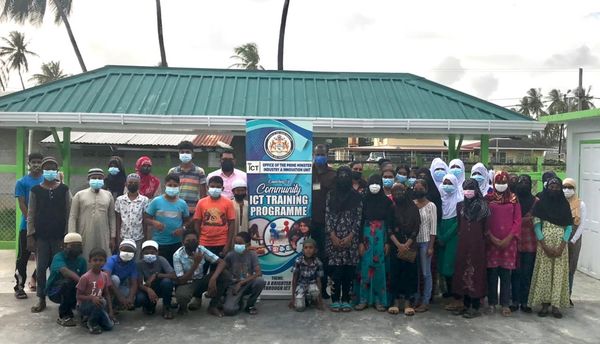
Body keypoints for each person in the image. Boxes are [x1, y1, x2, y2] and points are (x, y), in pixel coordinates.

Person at [28, 156, 72, 313]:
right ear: (42, 170)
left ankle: (59, 296)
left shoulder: (64, 189)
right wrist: (30, 235)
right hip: (41, 237)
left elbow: (69, 212)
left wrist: (68, 235)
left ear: (57, 170)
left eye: (53, 167)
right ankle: (41, 298)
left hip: (60, 237)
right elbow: (31, 214)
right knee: (40, 268)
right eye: (47, 168)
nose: (50, 170)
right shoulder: (35, 190)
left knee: (59, 268)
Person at [528, 176, 573, 318]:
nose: (554, 189)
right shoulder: (540, 204)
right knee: (544, 274)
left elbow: (569, 227)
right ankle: (544, 305)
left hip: (560, 247)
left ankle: (555, 306)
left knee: (558, 274)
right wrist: (544, 245)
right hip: (544, 246)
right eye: (551, 187)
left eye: (557, 187)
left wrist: (561, 246)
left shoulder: (565, 205)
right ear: (547, 188)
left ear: (560, 189)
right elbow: (536, 224)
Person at [484, 171, 522, 317]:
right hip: (491, 241)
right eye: (498, 182)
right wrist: (492, 237)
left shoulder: (514, 199)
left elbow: (517, 220)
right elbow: (485, 220)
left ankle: (505, 303)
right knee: (492, 273)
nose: (501, 185)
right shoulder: (488, 199)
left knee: (506, 274)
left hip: (509, 242)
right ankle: (492, 303)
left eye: (503, 182)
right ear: (494, 183)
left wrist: (508, 238)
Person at [326, 166, 363, 312]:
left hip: (350, 239)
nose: (343, 178)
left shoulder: (356, 196)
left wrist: (351, 236)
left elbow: (359, 217)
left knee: (348, 270)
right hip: (333, 238)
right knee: (336, 270)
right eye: (340, 175)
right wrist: (332, 235)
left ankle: (346, 299)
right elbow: (327, 215)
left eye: (346, 175)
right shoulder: (331, 194)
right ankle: (335, 299)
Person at [452, 179, 490, 319]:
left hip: (477, 245)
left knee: (476, 274)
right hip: (463, 245)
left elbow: (486, 228)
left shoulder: (484, 206)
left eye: (470, 188)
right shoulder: (460, 206)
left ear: (476, 189)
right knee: (462, 272)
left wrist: (483, 243)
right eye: (465, 188)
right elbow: (459, 225)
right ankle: (465, 305)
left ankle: (475, 306)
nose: (468, 191)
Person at [355, 175, 393, 312]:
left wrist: (388, 242)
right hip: (365, 237)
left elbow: (390, 223)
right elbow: (359, 223)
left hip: (381, 236)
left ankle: (380, 300)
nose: (375, 185)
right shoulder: (363, 201)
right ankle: (363, 299)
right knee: (365, 267)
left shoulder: (387, 202)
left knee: (380, 268)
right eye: (372, 183)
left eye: (378, 183)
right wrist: (359, 242)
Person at [173, 229, 230, 317]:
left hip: (201, 281)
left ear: (198, 241)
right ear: (183, 242)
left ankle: (213, 306)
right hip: (187, 283)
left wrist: (213, 279)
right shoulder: (177, 255)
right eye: (188, 241)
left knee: (225, 275)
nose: (191, 243)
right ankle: (182, 307)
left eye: (194, 241)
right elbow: (181, 280)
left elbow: (222, 262)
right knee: (181, 295)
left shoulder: (201, 249)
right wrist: (195, 263)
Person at [387, 183, 421, 316]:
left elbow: (416, 228)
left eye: (401, 191)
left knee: (409, 274)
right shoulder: (391, 208)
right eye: (395, 192)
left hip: (410, 246)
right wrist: (398, 245)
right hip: (396, 246)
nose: (398, 195)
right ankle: (395, 303)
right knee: (395, 273)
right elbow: (389, 228)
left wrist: (407, 244)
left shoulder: (414, 208)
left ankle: (408, 303)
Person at [14, 152, 44, 299]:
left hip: (44, 227)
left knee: (45, 257)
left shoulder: (47, 181)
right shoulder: (21, 182)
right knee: (22, 258)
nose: (36, 165)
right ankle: (19, 287)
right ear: (29, 163)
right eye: (34, 162)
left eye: (39, 162)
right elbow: (22, 204)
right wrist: (31, 221)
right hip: (25, 227)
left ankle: (36, 280)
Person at [69, 168, 116, 260]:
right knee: (85, 257)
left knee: (104, 257)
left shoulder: (108, 195)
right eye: (94, 178)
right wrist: (72, 237)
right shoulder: (79, 195)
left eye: (99, 178)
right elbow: (73, 217)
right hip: (84, 233)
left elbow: (112, 217)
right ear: (88, 179)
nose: (97, 180)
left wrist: (113, 237)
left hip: (104, 234)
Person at [145, 173, 190, 267]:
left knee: (175, 268)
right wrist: (154, 222)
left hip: (176, 243)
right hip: (159, 243)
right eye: (170, 185)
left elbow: (187, 221)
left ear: (179, 186)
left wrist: (183, 229)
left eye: (175, 186)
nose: (172, 187)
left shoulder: (182, 204)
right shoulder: (156, 201)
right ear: (165, 185)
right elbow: (146, 218)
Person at [194, 175, 236, 273]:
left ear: (223, 188)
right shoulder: (201, 202)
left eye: (218, 187)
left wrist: (227, 244)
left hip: (221, 242)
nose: (215, 189)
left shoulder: (228, 203)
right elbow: (197, 222)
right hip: (204, 242)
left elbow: (231, 223)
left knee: (218, 271)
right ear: (208, 188)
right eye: (212, 186)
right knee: (202, 270)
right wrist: (198, 240)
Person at [311, 143, 336, 299]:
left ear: (327, 155)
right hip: (308, 222)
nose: (319, 156)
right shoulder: (307, 172)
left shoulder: (332, 175)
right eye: (317, 154)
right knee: (309, 253)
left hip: (325, 222)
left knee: (325, 255)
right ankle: (309, 284)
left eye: (322, 154)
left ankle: (324, 286)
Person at [46, 233, 87, 327]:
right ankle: (64, 315)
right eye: (73, 246)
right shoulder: (58, 257)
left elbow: (85, 278)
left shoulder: (82, 261)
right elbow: (64, 271)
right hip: (55, 291)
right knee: (68, 282)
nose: (76, 248)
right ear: (65, 246)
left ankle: (82, 310)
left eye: (78, 246)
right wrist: (82, 282)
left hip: (73, 290)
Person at [511, 175, 538, 313]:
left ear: (530, 184)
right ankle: (514, 300)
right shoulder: (512, 200)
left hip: (531, 243)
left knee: (527, 274)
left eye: (526, 182)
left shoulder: (536, 202)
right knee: (515, 273)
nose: (523, 184)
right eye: (520, 181)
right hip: (513, 242)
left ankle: (526, 301)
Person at [223, 232, 265, 315]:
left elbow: (258, 273)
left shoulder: (252, 255)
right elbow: (223, 269)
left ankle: (250, 305)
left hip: (246, 283)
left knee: (260, 281)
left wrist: (241, 283)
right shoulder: (230, 255)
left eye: (240, 243)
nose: (237, 245)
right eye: (236, 243)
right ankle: (237, 300)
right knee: (229, 310)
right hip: (233, 286)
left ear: (247, 244)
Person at [438, 173, 463, 310]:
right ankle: (450, 294)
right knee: (444, 267)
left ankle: (457, 298)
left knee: (452, 267)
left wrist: (445, 237)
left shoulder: (459, 201)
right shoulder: (441, 200)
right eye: (445, 182)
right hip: (441, 236)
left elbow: (458, 223)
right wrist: (439, 236)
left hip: (453, 238)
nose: (447, 186)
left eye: (450, 183)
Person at [76, 248, 114, 335]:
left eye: (101, 260)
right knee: (101, 301)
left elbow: (107, 294)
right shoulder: (85, 277)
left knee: (109, 326)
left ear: (105, 262)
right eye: (95, 260)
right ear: (90, 261)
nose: (98, 262)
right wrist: (91, 298)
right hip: (84, 305)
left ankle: (91, 318)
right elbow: (78, 296)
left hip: (98, 305)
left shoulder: (104, 276)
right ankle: (92, 323)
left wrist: (110, 311)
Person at [413, 179, 437, 312]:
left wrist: (431, 246)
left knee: (426, 272)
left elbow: (433, 228)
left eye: (420, 188)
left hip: (425, 242)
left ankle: (425, 300)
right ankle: (415, 298)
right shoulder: (412, 204)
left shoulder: (431, 206)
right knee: (415, 273)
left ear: (426, 189)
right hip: (413, 243)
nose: (417, 191)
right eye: (415, 188)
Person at [135, 240, 176, 319]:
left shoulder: (161, 260)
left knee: (167, 282)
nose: (149, 255)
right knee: (140, 299)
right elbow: (139, 284)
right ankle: (149, 306)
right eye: (146, 253)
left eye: (152, 252)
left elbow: (173, 275)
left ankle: (167, 307)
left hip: (160, 286)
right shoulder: (139, 264)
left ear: (157, 253)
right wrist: (148, 290)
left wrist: (157, 275)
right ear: (142, 254)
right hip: (148, 287)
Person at [562, 177, 587, 306]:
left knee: (570, 268)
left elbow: (582, 224)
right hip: (560, 240)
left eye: (570, 187)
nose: (567, 190)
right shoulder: (559, 202)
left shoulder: (580, 204)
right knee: (559, 267)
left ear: (574, 189)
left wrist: (573, 240)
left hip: (574, 240)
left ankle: (568, 295)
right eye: (564, 187)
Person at [168, 140, 207, 216]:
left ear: (193, 154)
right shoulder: (172, 171)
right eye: (182, 152)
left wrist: (199, 210)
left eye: (187, 152)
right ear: (179, 154)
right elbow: (168, 192)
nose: (184, 154)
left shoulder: (199, 171)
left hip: (193, 211)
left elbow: (203, 195)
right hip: (176, 209)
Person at [115, 173, 149, 258]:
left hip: (138, 237)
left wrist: (145, 238)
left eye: (135, 183)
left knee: (136, 260)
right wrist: (118, 237)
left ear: (139, 185)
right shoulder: (120, 200)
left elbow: (145, 220)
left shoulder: (144, 200)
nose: (132, 184)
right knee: (123, 259)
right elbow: (118, 220)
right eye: (130, 183)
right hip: (124, 237)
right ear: (126, 184)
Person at [289, 238, 325, 312]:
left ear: (315, 250)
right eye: (306, 248)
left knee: (314, 291)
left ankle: (314, 300)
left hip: (312, 285)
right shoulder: (298, 261)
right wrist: (293, 298)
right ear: (303, 250)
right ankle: (303, 300)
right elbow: (294, 280)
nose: (308, 250)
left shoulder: (318, 263)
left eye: (311, 248)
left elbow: (319, 281)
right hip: (301, 285)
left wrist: (320, 301)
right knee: (299, 308)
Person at [103, 239, 139, 310]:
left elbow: (134, 283)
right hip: (105, 286)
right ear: (119, 250)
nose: (127, 253)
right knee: (115, 279)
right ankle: (108, 305)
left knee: (131, 294)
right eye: (125, 250)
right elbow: (107, 278)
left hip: (119, 287)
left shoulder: (132, 264)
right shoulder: (111, 260)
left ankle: (116, 306)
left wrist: (130, 299)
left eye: (130, 251)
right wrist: (120, 297)